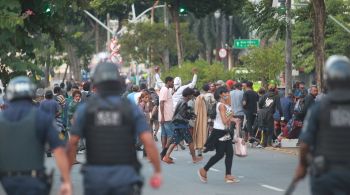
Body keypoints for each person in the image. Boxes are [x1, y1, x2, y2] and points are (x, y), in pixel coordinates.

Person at [67, 61, 162, 195]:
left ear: (97, 83)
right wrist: (157, 172)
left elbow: (72, 143)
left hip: (96, 179)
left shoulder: (86, 109)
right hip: (125, 177)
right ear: (118, 82)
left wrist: (66, 180)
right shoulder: (130, 108)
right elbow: (148, 141)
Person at [0, 76, 71, 195]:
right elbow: (59, 150)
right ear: (31, 93)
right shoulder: (41, 117)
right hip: (34, 180)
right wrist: (66, 181)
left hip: (7, 181)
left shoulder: (1, 119)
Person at [293, 55, 350, 195]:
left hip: (325, 176)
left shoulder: (319, 108)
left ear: (328, 80)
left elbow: (305, 144)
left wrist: (302, 166)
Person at [198, 86, 240, 183]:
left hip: (225, 131)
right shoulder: (221, 105)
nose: (228, 94)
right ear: (221, 94)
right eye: (226, 93)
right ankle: (204, 170)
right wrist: (231, 116)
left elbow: (228, 119)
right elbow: (225, 120)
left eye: (228, 92)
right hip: (219, 132)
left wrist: (235, 119)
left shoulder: (226, 105)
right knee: (220, 154)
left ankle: (228, 175)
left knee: (229, 153)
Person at [162, 88, 203, 164]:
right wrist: (190, 115)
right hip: (182, 125)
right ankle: (194, 158)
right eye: (191, 95)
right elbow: (183, 115)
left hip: (177, 124)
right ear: (188, 95)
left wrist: (189, 114)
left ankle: (166, 157)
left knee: (175, 141)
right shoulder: (184, 102)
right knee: (190, 141)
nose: (192, 97)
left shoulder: (181, 101)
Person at [159, 77, 175, 159]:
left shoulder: (166, 90)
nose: (173, 84)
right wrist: (162, 116)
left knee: (164, 135)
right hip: (166, 117)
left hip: (165, 116)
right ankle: (164, 152)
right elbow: (161, 103)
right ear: (168, 82)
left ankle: (163, 154)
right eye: (172, 82)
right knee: (171, 135)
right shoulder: (165, 90)